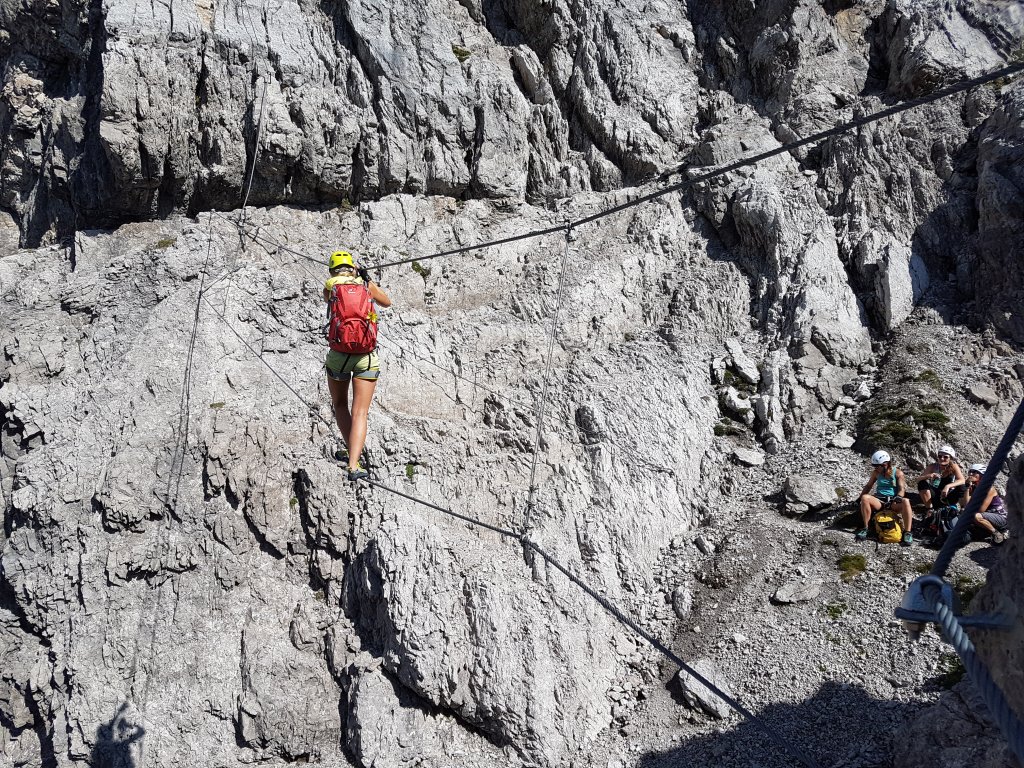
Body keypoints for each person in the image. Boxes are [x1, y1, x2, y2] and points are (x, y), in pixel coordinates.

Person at [323, 250, 391, 481]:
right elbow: (387, 302)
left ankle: (351, 451)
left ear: (332, 270)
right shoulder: (365, 286)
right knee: (360, 411)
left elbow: (328, 300)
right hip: (366, 356)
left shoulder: (331, 286)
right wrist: (365, 278)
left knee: (340, 405)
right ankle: (353, 465)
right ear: (352, 267)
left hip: (339, 355)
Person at [857, 449, 914, 545]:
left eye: (877, 466)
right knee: (865, 498)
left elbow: (901, 488)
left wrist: (899, 496)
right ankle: (865, 528)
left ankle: (907, 532)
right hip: (880, 501)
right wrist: (859, 498)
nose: (875, 468)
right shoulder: (876, 473)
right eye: (874, 466)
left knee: (906, 501)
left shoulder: (898, 473)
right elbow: (868, 486)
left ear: (885, 464)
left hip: (893, 502)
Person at [963, 463, 1009, 544]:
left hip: (1000, 517)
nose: (971, 474)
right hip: (987, 516)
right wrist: (966, 488)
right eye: (970, 471)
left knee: (974, 516)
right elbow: (966, 505)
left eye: (974, 472)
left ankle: (996, 533)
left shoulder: (989, 489)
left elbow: (981, 510)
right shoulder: (974, 487)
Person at [916, 445, 966, 509]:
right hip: (935, 494)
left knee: (962, 486)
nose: (942, 459)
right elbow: (918, 480)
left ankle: (963, 508)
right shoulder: (932, 466)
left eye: (945, 457)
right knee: (922, 483)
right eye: (940, 456)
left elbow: (962, 480)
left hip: (948, 494)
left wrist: (947, 486)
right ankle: (930, 509)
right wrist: (928, 476)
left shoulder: (954, 467)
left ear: (950, 458)